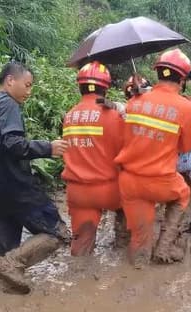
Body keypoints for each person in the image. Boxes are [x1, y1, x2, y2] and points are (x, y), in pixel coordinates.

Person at [0, 62, 71, 294]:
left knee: (5, 247)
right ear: (10, 81)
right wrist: (48, 148)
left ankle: (4, 297)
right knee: (56, 234)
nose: (29, 91)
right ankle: (11, 264)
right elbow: (12, 143)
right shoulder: (8, 105)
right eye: (27, 85)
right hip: (17, 186)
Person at [114, 48, 191, 267]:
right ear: (182, 79)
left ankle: (139, 264)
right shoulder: (188, 108)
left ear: (158, 72)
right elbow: (188, 146)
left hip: (130, 182)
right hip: (161, 181)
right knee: (183, 194)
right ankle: (164, 246)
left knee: (140, 241)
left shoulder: (134, 101)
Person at [61, 61, 127, 255]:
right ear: (105, 88)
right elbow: (126, 153)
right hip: (109, 190)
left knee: (80, 250)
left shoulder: (70, 116)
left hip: (77, 192)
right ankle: (122, 247)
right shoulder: (114, 115)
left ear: (80, 86)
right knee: (133, 204)